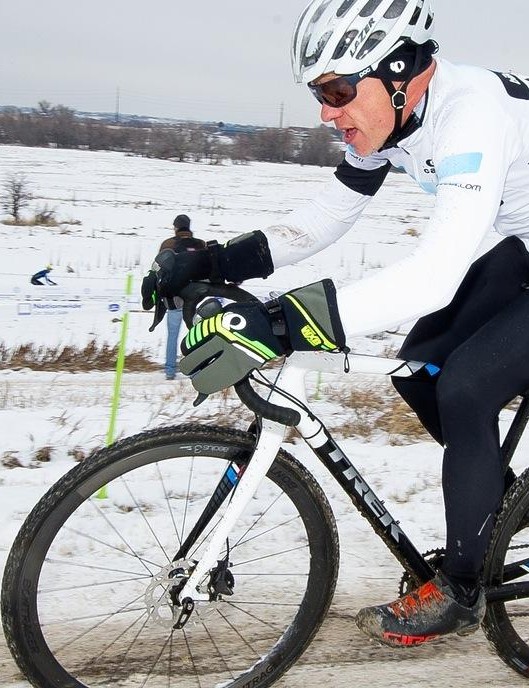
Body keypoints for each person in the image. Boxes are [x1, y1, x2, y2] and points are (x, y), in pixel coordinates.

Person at [142, 0, 529, 646]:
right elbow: (325, 218)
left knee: (464, 385)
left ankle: (464, 588)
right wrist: (216, 260)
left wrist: (281, 322)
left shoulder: (470, 116)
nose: (325, 111)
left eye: (337, 90)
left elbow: (433, 273)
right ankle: (499, 502)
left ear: (399, 72)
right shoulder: (396, 122)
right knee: (420, 367)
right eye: (320, 93)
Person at [159, 214, 205, 380]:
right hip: (193, 297)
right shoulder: (200, 244)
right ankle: (195, 370)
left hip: (173, 298)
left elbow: (159, 270)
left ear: (176, 227)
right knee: (194, 335)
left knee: (172, 335)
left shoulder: (167, 244)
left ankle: (170, 371)